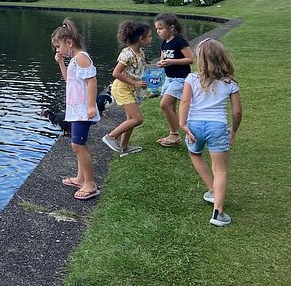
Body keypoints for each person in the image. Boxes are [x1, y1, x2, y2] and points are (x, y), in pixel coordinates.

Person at [180, 38, 242, 227]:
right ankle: (218, 212)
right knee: (220, 170)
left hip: (195, 125)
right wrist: (233, 130)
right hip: (217, 127)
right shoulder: (230, 83)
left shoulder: (191, 79)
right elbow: (237, 112)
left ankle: (211, 188)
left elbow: (184, 102)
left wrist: (182, 124)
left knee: (194, 153)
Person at [52, 18, 101, 200]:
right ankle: (81, 178)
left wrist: (90, 106)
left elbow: (92, 81)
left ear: (69, 43)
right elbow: (69, 80)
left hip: (82, 110)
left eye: (58, 46)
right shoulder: (73, 59)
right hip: (75, 109)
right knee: (78, 144)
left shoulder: (81, 58)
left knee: (77, 145)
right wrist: (61, 63)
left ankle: (90, 184)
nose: (57, 50)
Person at [102, 21, 152, 156]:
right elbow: (116, 73)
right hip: (121, 89)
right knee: (137, 119)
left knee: (131, 119)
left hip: (129, 89)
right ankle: (111, 136)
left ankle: (124, 148)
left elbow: (137, 69)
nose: (151, 39)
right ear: (141, 39)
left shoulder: (139, 51)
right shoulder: (127, 54)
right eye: (149, 36)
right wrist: (134, 83)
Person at [154, 13, 194, 147]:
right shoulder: (164, 43)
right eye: (157, 29)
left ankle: (175, 134)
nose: (158, 31)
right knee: (170, 106)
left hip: (180, 79)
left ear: (171, 28)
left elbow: (190, 59)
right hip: (169, 78)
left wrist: (172, 62)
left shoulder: (179, 41)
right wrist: (161, 63)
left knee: (164, 104)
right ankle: (174, 133)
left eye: (161, 28)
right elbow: (162, 58)